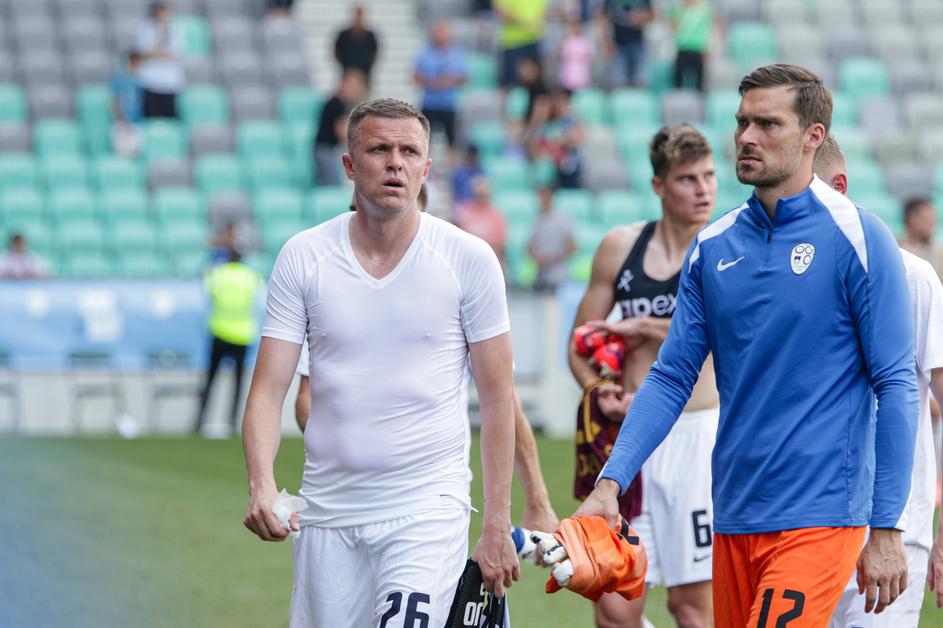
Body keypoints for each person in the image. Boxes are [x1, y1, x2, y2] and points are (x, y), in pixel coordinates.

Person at [577, 64, 917, 626]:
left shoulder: (860, 236)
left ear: (812, 136)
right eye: (742, 123)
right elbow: (671, 377)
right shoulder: (713, 246)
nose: (746, 137)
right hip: (734, 514)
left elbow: (897, 383)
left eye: (768, 124)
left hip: (821, 514)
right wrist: (609, 484)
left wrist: (887, 527)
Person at [241, 98, 520, 627]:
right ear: (349, 165)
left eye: (409, 152)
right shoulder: (303, 256)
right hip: (326, 512)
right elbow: (267, 392)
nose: (395, 163)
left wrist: (497, 523)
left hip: (426, 509)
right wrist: (261, 483)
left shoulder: (468, 259)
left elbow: (498, 399)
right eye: (379, 150)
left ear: (426, 168)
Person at [568, 125, 718, 628]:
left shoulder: (724, 248)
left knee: (691, 609)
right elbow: (580, 343)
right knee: (614, 608)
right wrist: (601, 392)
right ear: (659, 186)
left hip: (696, 439)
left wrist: (645, 326)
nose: (703, 190)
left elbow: (730, 336)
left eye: (709, 176)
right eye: (687, 179)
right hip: (633, 441)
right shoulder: (619, 247)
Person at [816, 134, 943, 628]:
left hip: (895, 533)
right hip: (800, 530)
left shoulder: (913, 278)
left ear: (838, 187)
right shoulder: (780, 282)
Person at [194, 249, 263, 435]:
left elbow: (208, 294)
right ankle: (233, 422)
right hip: (242, 334)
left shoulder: (218, 274)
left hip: (219, 331)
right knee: (238, 383)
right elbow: (257, 299)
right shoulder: (250, 276)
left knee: (210, 380)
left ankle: (200, 420)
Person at [414, 20, 467, 150]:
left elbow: (464, 77)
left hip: (449, 104)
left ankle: (453, 162)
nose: (440, 35)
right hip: (429, 103)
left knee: (452, 141)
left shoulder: (457, 54)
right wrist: (431, 82)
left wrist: (450, 81)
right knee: (425, 140)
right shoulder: (425, 53)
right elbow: (415, 75)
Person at [313, 68, 367, 186]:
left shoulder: (335, 102)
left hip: (325, 149)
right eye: (353, 87)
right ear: (344, 84)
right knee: (331, 185)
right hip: (326, 150)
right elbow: (341, 132)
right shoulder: (338, 104)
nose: (356, 91)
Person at [135, 1, 185, 119]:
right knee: (151, 118)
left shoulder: (177, 29)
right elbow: (144, 53)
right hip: (150, 81)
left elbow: (176, 54)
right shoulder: (145, 28)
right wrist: (161, 34)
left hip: (170, 83)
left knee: (169, 120)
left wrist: (157, 54)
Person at [530, 89, 585, 189]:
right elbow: (534, 147)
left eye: (562, 101)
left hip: (568, 169)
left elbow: (578, 137)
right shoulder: (543, 125)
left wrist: (561, 140)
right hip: (550, 167)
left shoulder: (569, 120)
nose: (558, 105)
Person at [529, 186, 575, 291]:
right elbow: (529, 246)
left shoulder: (562, 220)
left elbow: (573, 245)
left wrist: (555, 258)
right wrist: (538, 259)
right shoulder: (536, 221)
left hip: (559, 274)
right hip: (541, 274)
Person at [455, 176, 508, 268]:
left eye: (484, 195)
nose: (481, 198)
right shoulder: (465, 212)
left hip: (490, 259)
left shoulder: (496, 216)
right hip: (468, 258)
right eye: (479, 195)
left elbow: (500, 243)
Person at [493, 0, 548, 88]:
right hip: (513, 43)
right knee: (513, 83)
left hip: (534, 40)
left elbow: (545, 11)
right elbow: (501, 10)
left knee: (535, 83)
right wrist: (525, 23)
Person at [599, 0, 654, 88]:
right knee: (619, 82)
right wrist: (607, 40)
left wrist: (641, 18)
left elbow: (651, 15)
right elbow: (603, 17)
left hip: (638, 43)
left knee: (640, 81)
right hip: (618, 45)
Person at [667, 0, 713, 92]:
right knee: (678, 81)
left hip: (698, 49)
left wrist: (708, 48)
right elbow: (673, 28)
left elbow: (708, 29)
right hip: (682, 48)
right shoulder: (678, 9)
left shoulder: (704, 9)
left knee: (699, 83)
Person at [899, 198, 943, 280]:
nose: (932, 223)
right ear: (912, 221)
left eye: (933, 218)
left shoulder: (938, 253)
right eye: (926, 219)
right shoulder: (894, 249)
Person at [333, 5, 379, 84]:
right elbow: (337, 52)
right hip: (347, 71)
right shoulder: (344, 35)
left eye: (360, 16)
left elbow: (375, 54)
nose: (358, 19)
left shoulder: (370, 36)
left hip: (365, 73)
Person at [110, 51, 143, 157]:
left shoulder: (139, 81)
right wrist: (120, 119)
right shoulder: (119, 80)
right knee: (122, 152)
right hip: (122, 123)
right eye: (133, 64)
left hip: (136, 121)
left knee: (136, 151)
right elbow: (115, 101)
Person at [558, 16, 594, 92]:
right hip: (568, 76)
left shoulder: (585, 42)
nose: (575, 29)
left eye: (577, 26)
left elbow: (590, 56)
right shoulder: (566, 41)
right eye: (573, 26)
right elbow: (561, 55)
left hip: (582, 76)